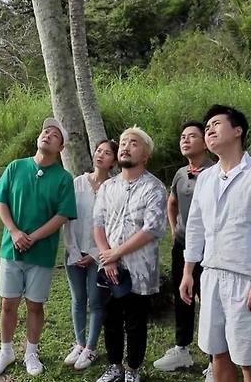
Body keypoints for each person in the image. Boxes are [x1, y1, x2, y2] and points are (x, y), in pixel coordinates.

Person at [179, 105, 251, 382]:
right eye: (207, 127)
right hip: (212, 274)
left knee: (249, 360)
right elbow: (195, 226)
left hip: (246, 279)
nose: (210, 130)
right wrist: (189, 271)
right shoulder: (205, 178)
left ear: (237, 130)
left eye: (216, 124)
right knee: (219, 355)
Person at [0, 117, 77, 378]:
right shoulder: (16, 167)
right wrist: (14, 232)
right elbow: (1, 202)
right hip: (11, 248)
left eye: (55, 134)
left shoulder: (63, 178)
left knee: (35, 305)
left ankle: (31, 352)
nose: (47, 134)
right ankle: (6, 351)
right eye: (45, 131)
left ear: (61, 147)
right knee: (8, 302)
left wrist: (33, 237)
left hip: (41, 252)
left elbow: (62, 215)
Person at [93, 126, 167, 382]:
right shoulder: (108, 187)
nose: (125, 146)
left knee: (135, 323)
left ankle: (133, 369)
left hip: (140, 269)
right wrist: (107, 255)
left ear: (145, 155)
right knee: (110, 319)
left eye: (133, 143)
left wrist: (116, 254)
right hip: (109, 268)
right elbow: (98, 224)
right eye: (123, 142)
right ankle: (115, 366)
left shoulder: (154, 188)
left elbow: (152, 229)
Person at [153, 121, 214, 373]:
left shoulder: (215, 171)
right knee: (183, 296)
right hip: (182, 246)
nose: (185, 140)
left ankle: (215, 360)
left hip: (209, 248)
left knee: (209, 301)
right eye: (182, 137)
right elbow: (172, 203)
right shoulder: (180, 173)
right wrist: (174, 229)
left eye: (192, 136)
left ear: (204, 142)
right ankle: (182, 349)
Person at [62, 139, 119, 370]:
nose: (100, 155)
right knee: (78, 300)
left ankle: (91, 348)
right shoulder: (78, 183)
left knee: (95, 302)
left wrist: (95, 254)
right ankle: (79, 343)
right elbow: (67, 220)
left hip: (100, 256)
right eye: (98, 150)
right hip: (74, 253)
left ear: (114, 161)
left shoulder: (114, 187)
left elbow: (114, 226)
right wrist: (74, 251)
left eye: (107, 153)